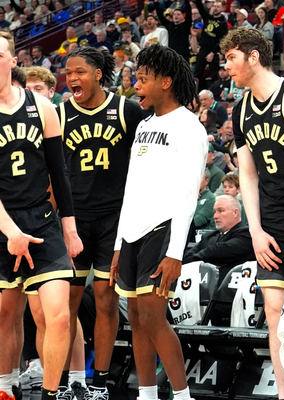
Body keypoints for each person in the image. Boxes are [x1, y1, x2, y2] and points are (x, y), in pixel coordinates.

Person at [221, 27, 284, 400]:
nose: (226, 66)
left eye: (232, 58)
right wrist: (256, 230)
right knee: (275, 312)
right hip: (272, 221)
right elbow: (247, 175)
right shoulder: (241, 110)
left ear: (254, 56)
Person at [111, 43, 208, 400]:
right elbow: (131, 188)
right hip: (132, 232)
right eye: (136, 78)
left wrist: (175, 253)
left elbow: (188, 194)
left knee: (153, 317)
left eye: (143, 79)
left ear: (166, 82)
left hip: (163, 230)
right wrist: (119, 244)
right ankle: (147, 394)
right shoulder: (144, 125)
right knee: (136, 318)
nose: (136, 85)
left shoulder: (189, 127)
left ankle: (182, 396)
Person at [0, 31, 83, 400]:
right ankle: (5, 387)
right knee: (6, 314)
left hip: (42, 219)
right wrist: (11, 232)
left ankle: (50, 394)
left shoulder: (42, 107)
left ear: (12, 61)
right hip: (4, 221)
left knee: (60, 315)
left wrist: (70, 228)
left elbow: (58, 173)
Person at [58, 47, 143, 400]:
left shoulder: (126, 110)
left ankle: (100, 382)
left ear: (97, 74)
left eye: (79, 71)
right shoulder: (60, 114)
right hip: (74, 220)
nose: (72, 78)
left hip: (114, 220)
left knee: (107, 300)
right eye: (68, 73)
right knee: (67, 304)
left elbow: (145, 162)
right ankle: (65, 379)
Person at [184, 195, 255, 285]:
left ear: (235, 213)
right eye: (215, 212)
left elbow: (222, 251)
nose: (215, 216)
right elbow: (187, 258)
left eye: (221, 211)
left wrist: (200, 261)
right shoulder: (208, 237)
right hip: (201, 286)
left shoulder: (247, 234)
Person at [194, 0, 228, 90]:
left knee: (214, 75)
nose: (215, 8)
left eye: (218, 7)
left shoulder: (223, 23)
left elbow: (222, 40)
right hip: (203, 49)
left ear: (222, 9)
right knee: (197, 73)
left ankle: (215, 92)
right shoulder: (207, 17)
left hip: (214, 51)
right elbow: (200, 6)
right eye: (214, 6)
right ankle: (196, 92)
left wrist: (212, 53)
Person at [193, 168, 216, 232]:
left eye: (199, 178)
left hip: (200, 234)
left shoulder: (211, 198)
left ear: (207, 181)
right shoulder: (187, 198)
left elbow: (198, 221)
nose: (196, 181)